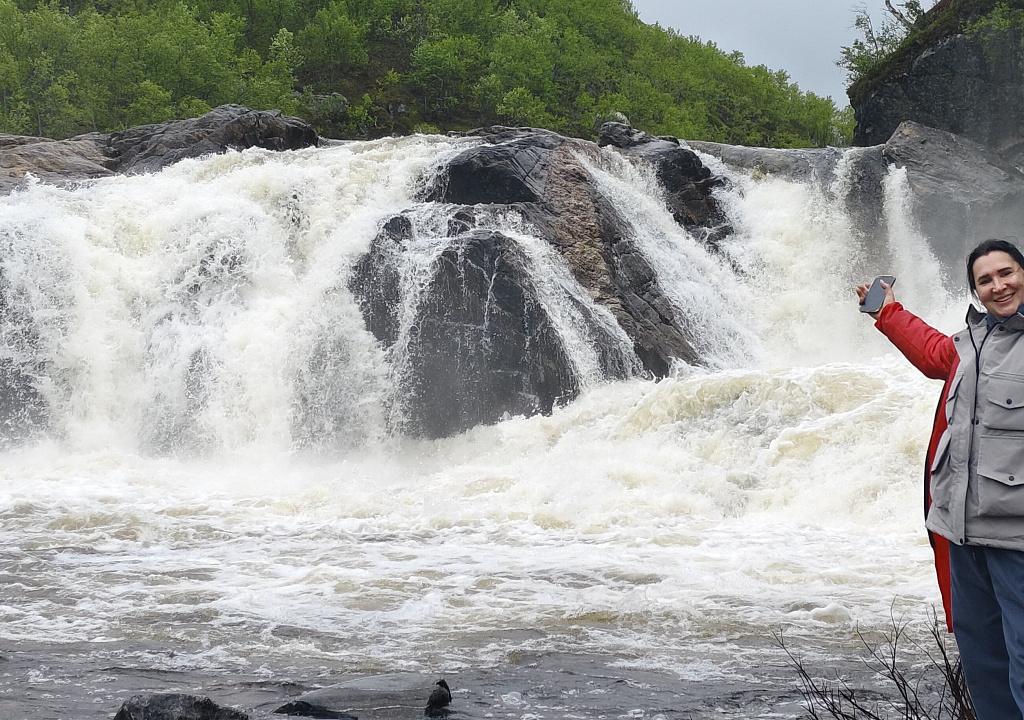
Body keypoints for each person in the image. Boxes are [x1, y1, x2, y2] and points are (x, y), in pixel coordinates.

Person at [857, 238, 1024, 718]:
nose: (998, 286)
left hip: (1016, 538)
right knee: (984, 665)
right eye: (985, 280)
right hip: (961, 534)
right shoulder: (971, 343)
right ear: (975, 291)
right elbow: (933, 352)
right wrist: (886, 312)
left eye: (1006, 273)